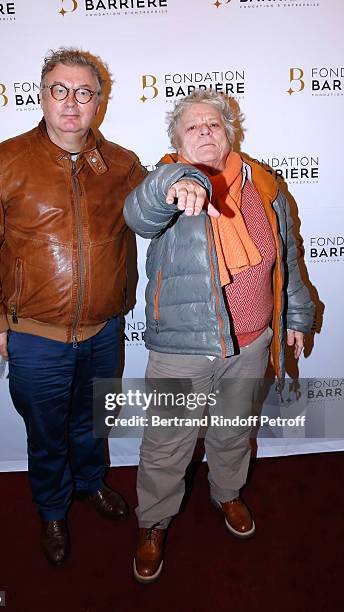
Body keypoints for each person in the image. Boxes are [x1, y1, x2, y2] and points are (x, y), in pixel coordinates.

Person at [0, 47, 149, 566]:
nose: (72, 102)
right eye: (60, 90)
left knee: (93, 421)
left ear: (99, 102)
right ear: (41, 96)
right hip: (34, 334)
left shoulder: (122, 165)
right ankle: (51, 510)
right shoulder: (5, 161)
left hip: (104, 329)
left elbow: (153, 211)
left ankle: (91, 484)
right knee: (45, 433)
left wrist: (187, 177)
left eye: (84, 92)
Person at [124, 90, 314, 583]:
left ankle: (226, 493)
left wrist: (296, 315)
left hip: (250, 343)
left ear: (230, 132)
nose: (206, 132)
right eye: (193, 127)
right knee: (167, 444)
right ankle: (154, 522)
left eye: (214, 125)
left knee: (232, 433)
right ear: (176, 141)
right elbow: (139, 214)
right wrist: (178, 181)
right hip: (182, 350)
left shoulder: (263, 184)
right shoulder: (166, 183)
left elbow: (287, 259)